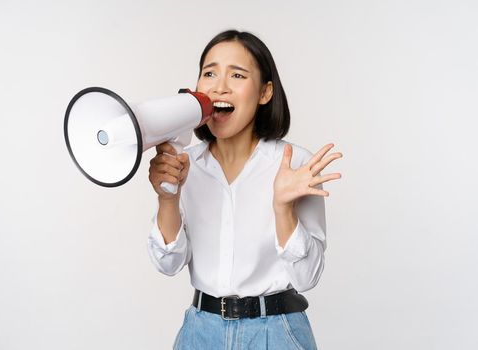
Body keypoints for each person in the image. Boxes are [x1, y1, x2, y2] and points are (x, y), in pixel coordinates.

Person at [146, 30, 342, 349]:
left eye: (237, 75)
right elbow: (167, 264)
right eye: (209, 73)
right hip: (200, 332)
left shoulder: (293, 165)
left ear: (265, 92)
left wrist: (282, 208)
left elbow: (307, 278)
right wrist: (168, 199)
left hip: (276, 333)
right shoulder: (185, 166)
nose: (220, 86)